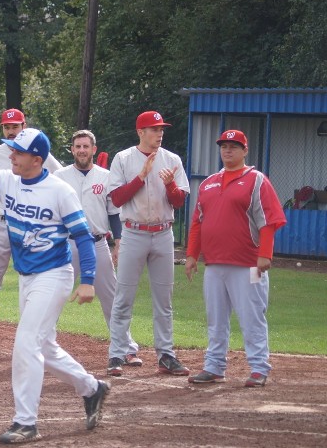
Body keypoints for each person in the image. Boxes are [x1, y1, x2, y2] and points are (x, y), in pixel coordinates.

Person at [0, 105, 109, 443]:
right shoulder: (7, 182)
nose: (12, 155)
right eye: (13, 150)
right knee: (43, 345)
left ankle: (25, 421)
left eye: (19, 151)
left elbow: (83, 238)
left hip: (55, 275)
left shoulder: (60, 191)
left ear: (37, 159)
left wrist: (87, 280)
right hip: (28, 277)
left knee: (26, 343)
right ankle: (92, 388)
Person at [185, 130, 286, 388]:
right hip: (215, 264)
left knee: (252, 316)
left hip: (249, 263)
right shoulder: (208, 183)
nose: (228, 150)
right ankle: (214, 366)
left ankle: (259, 368)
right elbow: (197, 222)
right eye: (224, 146)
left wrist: (265, 254)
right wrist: (191, 255)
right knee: (215, 318)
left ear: (244, 150)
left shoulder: (256, 180)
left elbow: (269, 220)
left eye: (234, 146)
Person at [0, 108, 63, 353]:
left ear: (24, 125)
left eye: (15, 126)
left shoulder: (36, 152)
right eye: (7, 126)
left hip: (29, 224)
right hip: (0, 222)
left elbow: (60, 176)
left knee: (36, 279)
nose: (11, 130)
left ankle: (41, 335)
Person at [106, 110, 190, 377]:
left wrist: (170, 186)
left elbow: (178, 202)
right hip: (133, 233)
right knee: (123, 297)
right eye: (154, 129)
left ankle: (166, 354)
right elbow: (117, 199)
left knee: (164, 300)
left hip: (164, 234)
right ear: (140, 132)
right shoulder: (124, 158)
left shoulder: (172, 159)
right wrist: (141, 176)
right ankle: (117, 354)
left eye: (161, 129)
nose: (160, 133)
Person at [54, 130, 141, 365]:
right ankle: (41, 343)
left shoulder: (106, 176)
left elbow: (114, 213)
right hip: (66, 244)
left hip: (98, 242)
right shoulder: (59, 176)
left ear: (94, 149)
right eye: (77, 146)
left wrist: (119, 243)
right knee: (53, 293)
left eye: (86, 146)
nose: (81, 150)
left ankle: (125, 346)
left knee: (111, 297)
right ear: (71, 150)